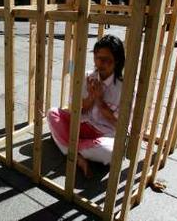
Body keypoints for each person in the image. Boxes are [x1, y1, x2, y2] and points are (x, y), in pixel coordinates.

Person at [47, 35, 125, 178]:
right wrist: (90, 98)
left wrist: (100, 101)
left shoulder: (123, 88)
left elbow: (121, 125)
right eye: (98, 58)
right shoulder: (88, 76)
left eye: (107, 60)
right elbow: (74, 109)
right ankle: (78, 156)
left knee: (112, 153)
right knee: (52, 113)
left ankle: (67, 145)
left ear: (117, 61)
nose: (101, 63)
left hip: (104, 134)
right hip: (81, 125)